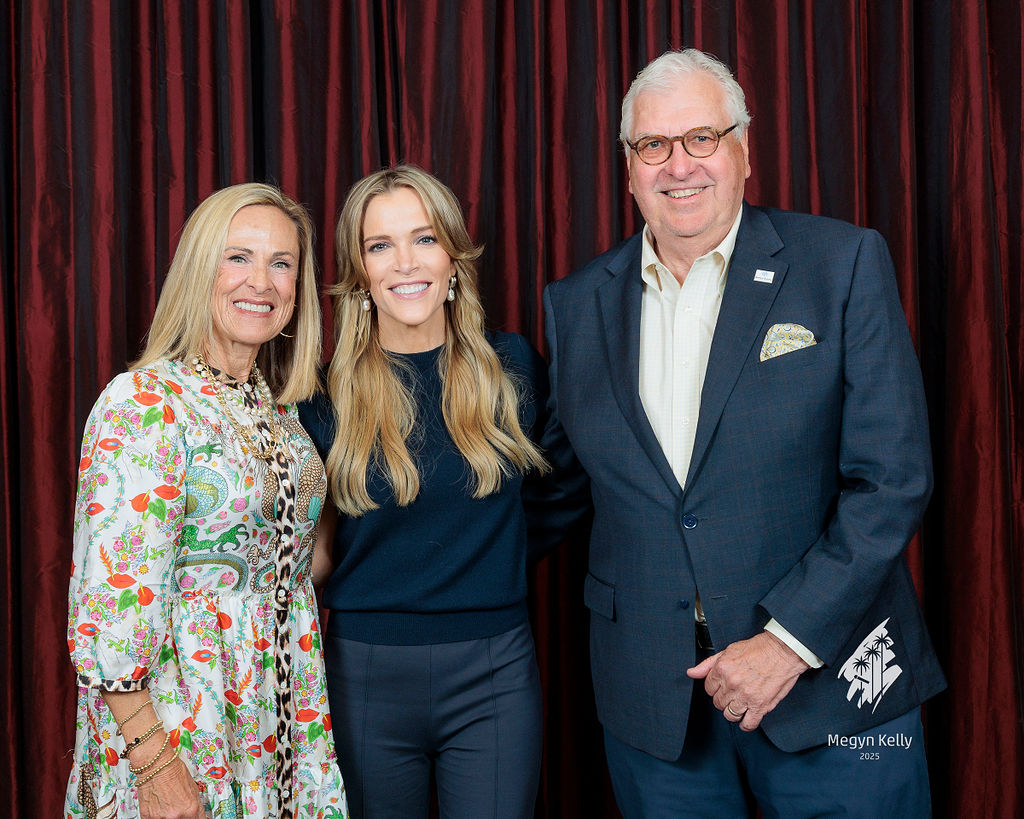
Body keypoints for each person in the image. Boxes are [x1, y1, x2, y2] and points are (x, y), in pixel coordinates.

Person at [540, 49, 946, 817]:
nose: (678, 165)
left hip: (835, 687)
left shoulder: (840, 263)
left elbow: (892, 480)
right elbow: (556, 492)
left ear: (744, 150)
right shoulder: (576, 306)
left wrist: (787, 642)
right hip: (657, 709)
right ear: (628, 167)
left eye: (702, 137)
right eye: (653, 145)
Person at [65, 183, 348, 819]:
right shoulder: (146, 402)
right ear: (199, 269)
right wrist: (153, 763)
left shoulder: (279, 415)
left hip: (277, 716)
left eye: (281, 263)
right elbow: (110, 604)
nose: (262, 282)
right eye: (237, 257)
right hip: (182, 722)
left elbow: (294, 564)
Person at [298, 165, 553, 819]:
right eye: (380, 245)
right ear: (359, 272)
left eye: (424, 238)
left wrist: (492, 559)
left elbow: (562, 494)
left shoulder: (513, 367)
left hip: (495, 671)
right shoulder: (322, 397)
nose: (405, 263)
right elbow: (312, 551)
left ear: (453, 258)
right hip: (364, 673)